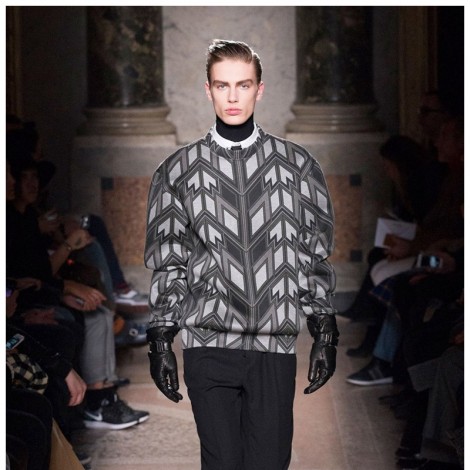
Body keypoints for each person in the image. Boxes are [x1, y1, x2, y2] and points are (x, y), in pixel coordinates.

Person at [144, 39, 338, 470]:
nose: (233, 96)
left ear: (259, 89)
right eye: (222, 85)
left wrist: (324, 330)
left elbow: (313, 254)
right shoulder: (177, 170)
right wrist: (160, 339)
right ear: (208, 90)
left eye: (243, 85)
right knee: (222, 463)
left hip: (273, 344)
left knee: (269, 463)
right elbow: (170, 258)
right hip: (207, 343)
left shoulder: (297, 166)